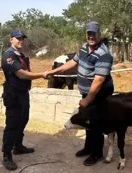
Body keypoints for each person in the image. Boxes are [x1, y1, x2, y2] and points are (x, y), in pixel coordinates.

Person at [46, 21, 114, 166]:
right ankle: (88, 148)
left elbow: (99, 80)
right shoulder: (84, 48)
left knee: (95, 123)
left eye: (94, 34)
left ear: (99, 34)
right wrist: (53, 72)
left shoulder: (104, 54)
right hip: (88, 93)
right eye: (89, 33)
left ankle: (96, 153)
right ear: (86, 34)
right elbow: (72, 62)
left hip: (99, 93)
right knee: (87, 120)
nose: (91, 37)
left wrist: (88, 99)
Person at [1, 30, 48, 171]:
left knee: (23, 119)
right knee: (12, 124)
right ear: (11, 40)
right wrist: (42, 74)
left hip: (22, 94)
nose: (21, 41)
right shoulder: (9, 56)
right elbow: (21, 74)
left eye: (22, 38)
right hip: (13, 95)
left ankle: (18, 146)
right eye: (18, 38)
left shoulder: (19, 54)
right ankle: (6, 155)